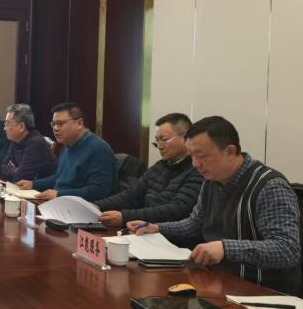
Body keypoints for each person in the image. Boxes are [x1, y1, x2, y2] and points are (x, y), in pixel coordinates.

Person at [129, 116, 301, 294]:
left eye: (202, 156)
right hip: (218, 282)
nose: (195, 164)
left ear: (230, 151)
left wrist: (226, 248)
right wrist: (157, 228)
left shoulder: (269, 186)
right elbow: (195, 224)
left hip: (261, 292)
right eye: (192, 156)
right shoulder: (211, 180)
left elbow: (287, 249)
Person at [96, 113, 203, 228]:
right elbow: (132, 195)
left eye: (164, 140)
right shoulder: (160, 166)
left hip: (168, 233)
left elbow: (177, 210)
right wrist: (98, 205)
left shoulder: (197, 170)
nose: (160, 146)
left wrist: (125, 217)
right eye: (157, 141)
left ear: (185, 138)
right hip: (143, 229)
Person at [17, 102, 117, 202]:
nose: (55, 128)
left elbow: (98, 191)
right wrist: (33, 184)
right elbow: (59, 178)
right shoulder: (67, 146)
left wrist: (59, 194)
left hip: (81, 207)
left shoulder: (98, 149)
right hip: (59, 203)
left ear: (79, 123)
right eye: (53, 124)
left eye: (60, 124)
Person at [0, 103, 56, 183]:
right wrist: (16, 170)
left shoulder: (35, 143)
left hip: (39, 189)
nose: (5, 128)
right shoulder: (16, 140)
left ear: (21, 127)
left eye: (7, 124)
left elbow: (20, 178)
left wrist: (15, 170)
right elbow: (3, 168)